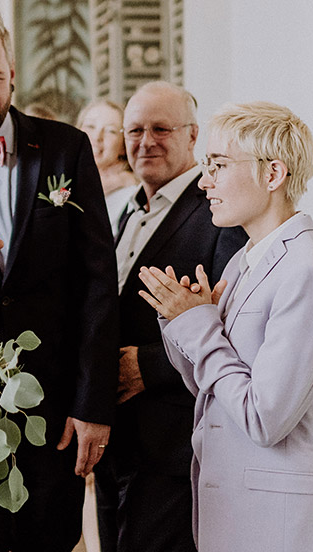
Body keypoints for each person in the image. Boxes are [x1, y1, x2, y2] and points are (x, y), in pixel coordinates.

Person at [0, 7, 118, 552]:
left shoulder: (66, 149)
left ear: (12, 72)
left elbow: (97, 284)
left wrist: (91, 404)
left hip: (54, 408)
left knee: (52, 539)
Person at [138, 101, 313, 552]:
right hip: (235, 509)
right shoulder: (243, 261)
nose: (203, 181)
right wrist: (179, 318)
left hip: (282, 524)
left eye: (217, 165)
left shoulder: (309, 273)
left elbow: (263, 417)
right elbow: (212, 393)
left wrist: (198, 326)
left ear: (273, 175)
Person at [95, 82, 245, 552]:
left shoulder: (219, 213)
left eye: (161, 129)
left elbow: (234, 325)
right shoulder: (125, 210)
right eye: (135, 130)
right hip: (114, 435)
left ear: (192, 136)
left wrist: (150, 367)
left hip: (172, 440)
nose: (146, 141)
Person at [76, 99, 139, 235]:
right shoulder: (58, 175)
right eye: (90, 126)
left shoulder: (131, 198)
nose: (97, 137)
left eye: (110, 131)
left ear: (123, 146)